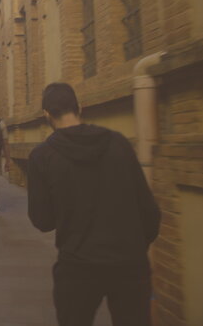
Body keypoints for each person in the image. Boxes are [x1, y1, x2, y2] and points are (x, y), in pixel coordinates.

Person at [27, 83, 161, 326]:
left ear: (47, 114)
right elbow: (149, 210)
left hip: (77, 265)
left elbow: (42, 220)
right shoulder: (118, 143)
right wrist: (135, 248)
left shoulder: (42, 156)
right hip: (129, 263)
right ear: (80, 107)